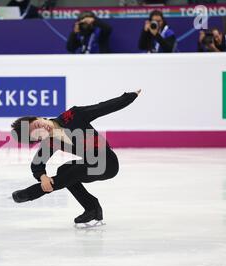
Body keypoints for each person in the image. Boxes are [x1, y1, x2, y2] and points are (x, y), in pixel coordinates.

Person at [10, 90, 141, 227]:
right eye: (38, 135)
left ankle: (32, 192)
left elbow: (102, 107)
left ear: (38, 117)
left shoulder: (72, 116)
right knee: (64, 170)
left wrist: (129, 97)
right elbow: (37, 164)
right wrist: (43, 177)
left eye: (37, 125)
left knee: (73, 171)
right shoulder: (51, 141)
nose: (42, 129)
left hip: (107, 162)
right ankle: (92, 208)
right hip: (87, 165)